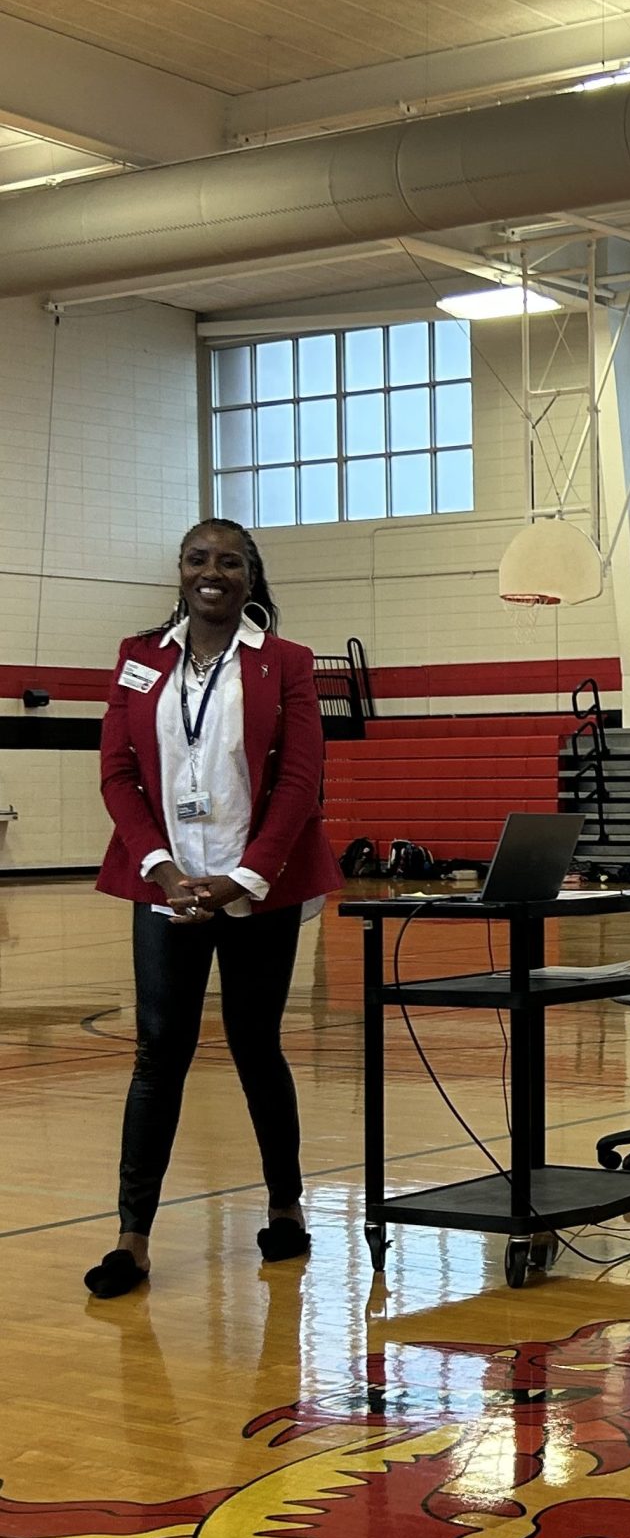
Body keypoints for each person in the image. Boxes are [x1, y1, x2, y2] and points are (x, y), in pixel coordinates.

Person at [91, 518, 341, 1299]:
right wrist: (163, 871)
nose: (213, 572)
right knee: (157, 1053)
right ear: (180, 571)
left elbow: (301, 783)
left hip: (256, 889)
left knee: (254, 1045)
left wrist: (246, 878)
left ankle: (286, 1207)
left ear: (249, 576)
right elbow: (118, 773)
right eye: (199, 559)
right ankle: (132, 1239)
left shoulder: (286, 664)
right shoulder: (139, 661)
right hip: (167, 886)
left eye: (229, 562)